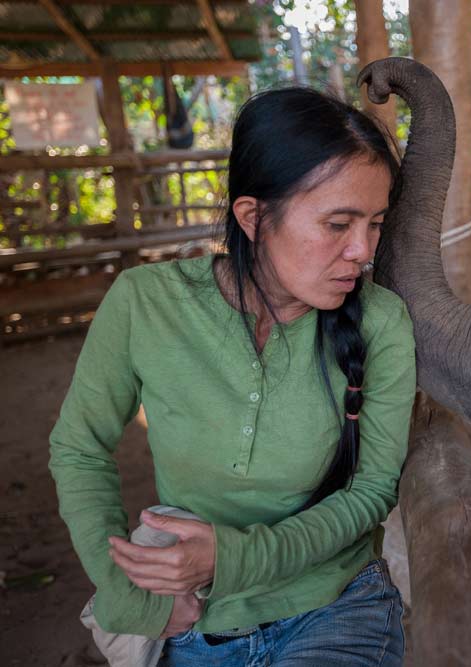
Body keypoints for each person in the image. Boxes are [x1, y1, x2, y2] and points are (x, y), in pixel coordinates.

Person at [49, 86, 416, 666]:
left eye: (374, 225)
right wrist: (129, 595)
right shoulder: (146, 304)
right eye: (338, 224)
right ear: (253, 216)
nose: (362, 251)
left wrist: (234, 558)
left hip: (337, 606)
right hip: (193, 619)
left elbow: (371, 492)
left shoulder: (381, 322)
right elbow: (79, 447)